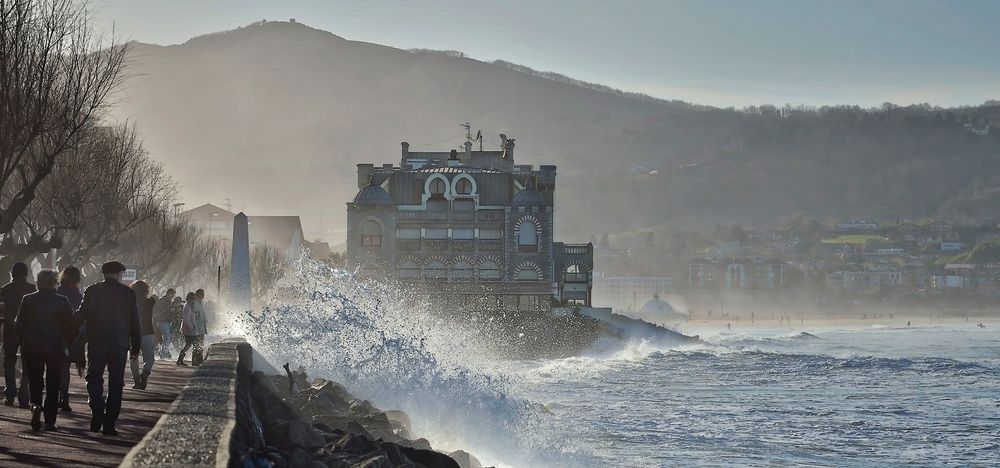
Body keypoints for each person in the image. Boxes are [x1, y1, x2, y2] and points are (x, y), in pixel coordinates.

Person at [79, 261, 141, 436]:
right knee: (116, 383)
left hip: (97, 342)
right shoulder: (128, 293)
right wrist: (136, 347)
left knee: (94, 377)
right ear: (118, 274)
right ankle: (109, 423)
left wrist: (68, 329)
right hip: (119, 344)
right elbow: (135, 322)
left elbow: (81, 314)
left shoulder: (92, 290)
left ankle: (97, 407)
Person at [15, 270, 75, 431]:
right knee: (53, 384)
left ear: (38, 282)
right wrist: (67, 341)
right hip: (55, 347)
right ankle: (50, 420)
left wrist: (23, 342)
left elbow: (19, 324)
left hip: (32, 346)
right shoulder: (62, 301)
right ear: (55, 282)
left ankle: (35, 406)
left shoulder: (28, 299)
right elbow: (72, 324)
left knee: (35, 382)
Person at [2, 262, 36, 407]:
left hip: (10, 330)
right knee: (27, 363)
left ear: (12, 273)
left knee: (9, 362)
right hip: (28, 331)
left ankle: (10, 393)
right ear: (26, 273)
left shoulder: (5, 290)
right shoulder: (32, 289)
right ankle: (24, 396)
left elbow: (1, 313)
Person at [55, 266, 85, 412]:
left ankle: (54, 398)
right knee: (65, 368)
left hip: (56, 335)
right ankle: (64, 399)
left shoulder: (58, 292)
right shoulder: (79, 295)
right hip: (72, 336)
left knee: (55, 368)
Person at [128, 281, 157, 390]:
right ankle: (145, 372)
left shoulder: (130, 303)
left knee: (133, 358)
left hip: (134, 334)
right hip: (148, 333)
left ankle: (137, 381)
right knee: (149, 358)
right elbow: (154, 297)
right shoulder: (151, 302)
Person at [177, 292, 199, 366]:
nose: (194, 300)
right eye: (193, 298)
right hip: (189, 329)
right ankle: (181, 359)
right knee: (191, 345)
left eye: (194, 299)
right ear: (189, 299)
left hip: (190, 329)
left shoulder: (191, 306)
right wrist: (191, 327)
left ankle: (180, 359)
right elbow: (186, 319)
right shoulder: (188, 307)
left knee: (189, 345)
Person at [153, 288, 175, 359]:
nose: (173, 296)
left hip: (166, 321)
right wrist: (170, 310)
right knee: (167, 337)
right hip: (163, 321)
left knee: (170, 337)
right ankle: (163, 353)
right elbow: (161, 311)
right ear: (169, 293)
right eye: (173, 295)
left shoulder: (167, 300)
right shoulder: (164, 300)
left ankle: (165, 351)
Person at [193, 289, 209, 366]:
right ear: (197, 295)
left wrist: (206, 321)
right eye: (201, 294)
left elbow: (202, 314)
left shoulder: (201, 303)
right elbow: (195, 315)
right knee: (197, 344)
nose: (203, 296)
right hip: (197, 327)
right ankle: (197, 361)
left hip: (202, 327)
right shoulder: (195, 303)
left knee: (200, 344)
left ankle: (199, 360)